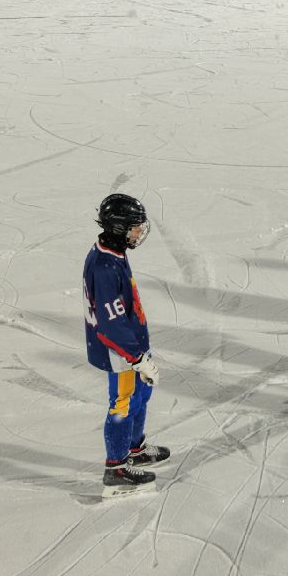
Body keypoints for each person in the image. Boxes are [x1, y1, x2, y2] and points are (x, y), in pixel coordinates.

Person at [84, 193, 170, 497]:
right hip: (119, 353)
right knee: (123, 403)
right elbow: (110, 325)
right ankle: (116, 469)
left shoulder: (113, 252)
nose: (139, 232)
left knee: (141, 395)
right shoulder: (105, 267)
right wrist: (137, 358)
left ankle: (134, 447)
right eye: (134, 227)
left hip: (132, 347)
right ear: (119, 228)